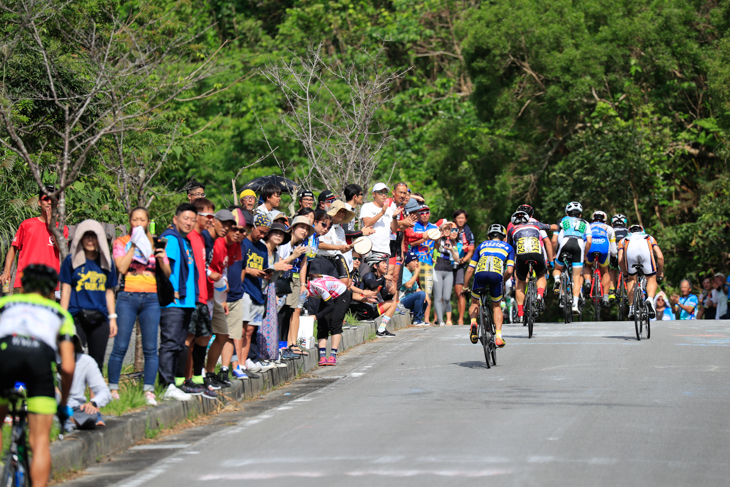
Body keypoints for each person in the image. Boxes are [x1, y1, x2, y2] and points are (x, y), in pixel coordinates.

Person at [0, 264, 76, 487]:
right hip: (38, 362)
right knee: (40, 441)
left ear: (23, 285)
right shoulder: (60, 314)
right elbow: (68, 367)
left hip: (5, 356)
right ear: (53, 290)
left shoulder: (5, 304)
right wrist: (62, 405)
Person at [108, 207, 161, 406]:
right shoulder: (121, 242)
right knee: (120, 346)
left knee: (150, 347)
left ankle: (149, 390)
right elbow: (121, 267)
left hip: (151, 297)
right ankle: (113, 389)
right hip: (127, 296)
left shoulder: (155, 243)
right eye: (135, 219)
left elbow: (164, 271)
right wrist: (134, 246)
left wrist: (159, 253)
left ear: (148, 221)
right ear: (129, 221)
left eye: (142, 219)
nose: (138, 223)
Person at [60, 219, 118, 373]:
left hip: (99, 319)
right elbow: (65, 290)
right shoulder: (70, 262)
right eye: (87, 236)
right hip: (75, 316)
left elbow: (109, 292)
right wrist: (62, 317)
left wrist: (112, 317)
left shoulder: (106, 263)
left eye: (94, 236)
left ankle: (94, 397)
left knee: (96, 364)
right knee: (71, 360)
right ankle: (72, 395)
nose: (91, 240)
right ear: (80, 238)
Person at [156, 203, 199, 401]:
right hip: (174, 302)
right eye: (185, 218)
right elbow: (164, 266)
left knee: (179, 344)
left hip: (186, 302)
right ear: (175, 219)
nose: (189, 223)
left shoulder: (185, 241)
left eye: (192, 219)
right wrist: (170, 290)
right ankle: (166, 384)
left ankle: (172, 382)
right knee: (170, 343)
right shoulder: (172, 239)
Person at [180, 198, 218, 399]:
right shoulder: (190, 237)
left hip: (204, 295)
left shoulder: (202, 237)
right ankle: (183, 380)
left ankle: (197, 378)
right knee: (189, 338)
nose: (211, 220)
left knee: (203, 337)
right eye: (208, 216)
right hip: (192, 296)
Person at [1, 184, 69, 293]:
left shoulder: (62, 228)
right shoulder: (27, 225)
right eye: (46, 199)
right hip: (25, 282)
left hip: (49, 283)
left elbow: (62, 249)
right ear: (39, 202)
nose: (50, 202)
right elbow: (13, 248)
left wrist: (51, 225)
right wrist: (6, 271)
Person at [208, 208, 248, 383]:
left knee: (225, 334)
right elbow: (206, 266)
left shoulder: (236, 246)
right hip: (207, 294)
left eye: (241, 230)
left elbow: (224, 270)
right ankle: (201, 374)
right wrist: (213, 277)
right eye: (234, 229)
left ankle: (216, 372)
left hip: (220, 295)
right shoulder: (217, 243)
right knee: (202, 336)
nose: (237, 233)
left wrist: (222, 298)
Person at [462, 224, 515, 348]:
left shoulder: (482, 245)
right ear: (504, 237)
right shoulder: (508, 247)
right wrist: (502, 282)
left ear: (488, 237)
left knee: (475, 302)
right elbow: (510, 271)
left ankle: (474, 323)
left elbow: (470, 269)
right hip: (496, 275)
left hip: (480, 274)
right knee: (496, 306)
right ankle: (498, 336)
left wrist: (465, 287)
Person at [277, 216, 313, 355]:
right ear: (293, 228)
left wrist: (303, 284)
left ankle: (290, 344)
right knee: (283, 313)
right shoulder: (285, 243)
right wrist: (294, 255)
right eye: (301, 227)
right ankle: (281, 346)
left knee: (292, 311)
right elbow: (280, 263)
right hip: (284, 280)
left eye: (307, 229)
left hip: (297, 280)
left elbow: (304, 264)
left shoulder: (303, 244)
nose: (304, 231)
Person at [240, 214, 271, 371]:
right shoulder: (243, 243)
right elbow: (236, 266)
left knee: (251, 330)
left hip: (258, 290)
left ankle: (246, 361)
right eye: (260, 231)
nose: (262, 235)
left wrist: (268, 274)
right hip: (244, 289)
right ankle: (238, 362)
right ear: (253, 227)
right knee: (242, 329)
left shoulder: (263, 247)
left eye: (265, 233)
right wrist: (249, 270)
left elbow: (264, 267)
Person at [507, 211, 552, 315]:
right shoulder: (535, 224)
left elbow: (509, 248)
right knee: (541, 275)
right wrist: (550, 261)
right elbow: (547, 242)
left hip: (521, 255)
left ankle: (520, 313)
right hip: (538, 253)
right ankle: (540, 294)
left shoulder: (512, 228)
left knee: (520, 282)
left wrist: (510, 263)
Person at [552, 202, 592, 314]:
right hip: (579, 244)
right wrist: (584, 255)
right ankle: (575, 304)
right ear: (580, 215)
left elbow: (554, 240)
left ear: (567, 213)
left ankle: (557, 279)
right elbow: (589, 241)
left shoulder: (562, 221)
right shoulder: (585, 223)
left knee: (557, 268)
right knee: (576, 276)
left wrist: (553, 254)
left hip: (565, 242)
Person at [618, 224, 665, 319]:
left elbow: (620, 260)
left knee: (632, 279)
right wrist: (659, 272)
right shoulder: (649, 237)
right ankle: (650, 299)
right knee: (651, 278)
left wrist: (626, 274)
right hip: (645, 249)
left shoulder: (623, 240)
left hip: (630, 250)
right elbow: (660, 256)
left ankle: (631, 308)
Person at [65, 336, 111, 431]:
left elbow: (104, 392)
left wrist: (92, 403)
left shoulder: (86, 361)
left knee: (90, 416)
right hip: (50, 405)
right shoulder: (48, 359)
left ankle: (65, 420)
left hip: (75, 408)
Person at [306, 275, 352, 365]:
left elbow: (330, 305)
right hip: (328, 295)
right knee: (322, 323)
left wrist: (316, 316)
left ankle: (333, 355)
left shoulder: (316, 285)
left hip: (341, 295)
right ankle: (322, 356)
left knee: (335, 322)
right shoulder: (306, 285)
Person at [405, 204, 438, 323]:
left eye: (427, 212)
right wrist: (426, 237)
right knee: (414, 289)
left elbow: (436, 246)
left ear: (429, 213)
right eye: (422, 212)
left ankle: (427, 320)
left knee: (427, 292)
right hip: (414, 263)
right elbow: (411, 243)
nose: (424, 215)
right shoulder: (413, 226)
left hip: (428, 263)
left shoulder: (434, 227)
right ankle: (415, 316)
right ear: (418, 214)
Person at [316, 200, 356, 285]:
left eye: (343, 212)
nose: (341, 213)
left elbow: (342, 249)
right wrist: (339, 247)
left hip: (334, 263)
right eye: (339, 211)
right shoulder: (324, 225)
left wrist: (351, 247)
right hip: (321, 260)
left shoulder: (341, 230)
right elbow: (319, 244)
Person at [583, 210, 617, 307]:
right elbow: (614, 250)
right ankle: (605, 298)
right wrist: (614, 257)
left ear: (593, 219)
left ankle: (588, 282)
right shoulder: (609, 228)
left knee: (588, 266)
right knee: (605, 271)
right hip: (603, 245)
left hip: (591, 245)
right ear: (605, 221)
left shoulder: (588, 226)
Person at [360, 183, 399, 264]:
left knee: (382, 276)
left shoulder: (389, 210)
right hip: (369, 248)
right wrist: (382, 212)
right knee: (367, 276)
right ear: (374, 194)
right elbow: (366, 223)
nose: (383, 195)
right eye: (380, 192)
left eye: (385, 193)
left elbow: (394, 229)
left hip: (384, 250)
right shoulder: (367, 206)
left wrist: (394, 217)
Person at [361, 254, 398, 336]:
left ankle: (381, 329)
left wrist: (391, 292)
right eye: (383, 263)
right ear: (375, 265)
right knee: (393, 302)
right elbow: (371, 285)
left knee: (393, 302)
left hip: (371, 309)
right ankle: (381, 330)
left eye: (386, 263)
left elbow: (385, 298)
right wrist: (383, 279)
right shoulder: (369, 275)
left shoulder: (382, 278)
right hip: (362, 311)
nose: (386, 265)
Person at [432, 220, 459, 326]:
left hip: (448, 270)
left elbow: (457, 259)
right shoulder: (438, 239)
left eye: (449, 229)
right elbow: (436, 247)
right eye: (446, 228)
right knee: (438, 297)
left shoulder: (453, 242)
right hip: (438, 268)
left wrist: (452, 250)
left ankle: (439, 318)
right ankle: (440, 320)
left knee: (447, 298)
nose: (448, 230)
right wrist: (439, 234)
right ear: (442, 229)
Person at [451, 209, 475, 325]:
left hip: (460, 265)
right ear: (455, 219)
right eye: (458, 218)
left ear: (465, 220)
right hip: (445, 263)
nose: (460, 220)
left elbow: (470, 251)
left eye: (462, 218)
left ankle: (460, 319)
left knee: (460, 292)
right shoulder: (449, 229)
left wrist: (462, 260)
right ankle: (442, 319)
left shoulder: (469, 233)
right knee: (442, 293)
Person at [399, 251, 427, 325]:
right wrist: (417, 273)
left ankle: (419, 319)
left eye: (417, 261)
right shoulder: (404, 271)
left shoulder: (411, 273)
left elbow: (417, 289)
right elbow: (408, 285)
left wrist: (426, 296)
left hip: (409, 299)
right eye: (414, 261)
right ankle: (416, 320)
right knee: (421, 294)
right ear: (407, 263)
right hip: (402, 301)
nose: (417, 263)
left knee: (424, 295)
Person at [608, 213, 630, 301]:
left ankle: (611, 291)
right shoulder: (628, 230)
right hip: (625, 252)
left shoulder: (610, 229)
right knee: (629, 272)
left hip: (614, 251)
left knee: (612, 269)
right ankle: (629, 291)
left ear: (612, 224)